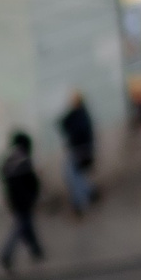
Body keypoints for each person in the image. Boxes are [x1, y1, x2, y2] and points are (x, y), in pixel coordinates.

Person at [0, 133, 44, 272]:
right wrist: (35, 197)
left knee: (26, 226)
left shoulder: (10, 159)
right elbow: (33, 182)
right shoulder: (24, 160)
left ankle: (36, 251)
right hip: (24, 201)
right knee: (20, 227)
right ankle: (6, 254)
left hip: (14, 200)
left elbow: (0, 171)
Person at [57, 89, 96, 219]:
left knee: (73, 176)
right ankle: (90, 194)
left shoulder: (80, 114)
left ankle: (80, 203)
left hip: (79, 150)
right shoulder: (79, 114)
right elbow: (63, 123)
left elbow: (76, 131)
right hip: (79, 149)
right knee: (76, 175)